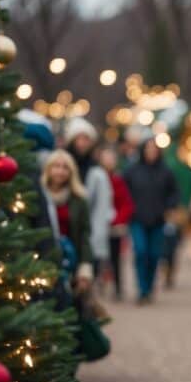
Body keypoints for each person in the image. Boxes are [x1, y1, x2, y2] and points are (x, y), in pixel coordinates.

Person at [123, 137, 179, 304]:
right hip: (137, 219)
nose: (151, 152)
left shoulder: (165, 171)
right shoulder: (132, 171)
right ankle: (142, 289)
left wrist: (168, 207)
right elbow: (123, 193)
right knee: (141, 252)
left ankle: (149, 286)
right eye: (148, 149)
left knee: (154, 255)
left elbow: (174, 192)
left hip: (158, 220)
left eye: (154, 149)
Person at [39, 149, 94, 304]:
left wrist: (85, 269)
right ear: (48, 169)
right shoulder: (39, 197)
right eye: (56, 166)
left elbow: (84, 235)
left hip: (70, 259)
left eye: (65, 167)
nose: (60, 171)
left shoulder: (79, 199)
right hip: (43, 258)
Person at [65, 117, 114, 280]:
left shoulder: (97, 174)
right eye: (78, 138)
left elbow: (102, 210)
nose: (82, 143)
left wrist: (96, 245)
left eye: (86, 139)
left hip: (88, 238)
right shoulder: (62, 168)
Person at [99, 146, 134, 301]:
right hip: (98, 225)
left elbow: (126, 203)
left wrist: (119, 220)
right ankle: (99, 284)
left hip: (114, 226)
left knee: (115, 258)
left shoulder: (118, 180)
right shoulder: (96, 178)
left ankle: (118, 287)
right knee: (99, 257)